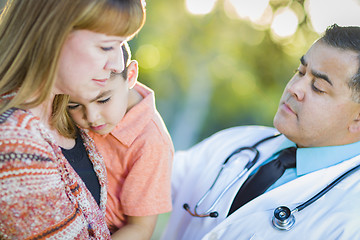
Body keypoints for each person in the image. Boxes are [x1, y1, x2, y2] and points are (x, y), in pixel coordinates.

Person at [161, 24, 360, 240]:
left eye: (318, 87)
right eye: (300, 72)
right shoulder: (237, 141)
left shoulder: (351, 219)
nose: (295, 88)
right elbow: (144, 178)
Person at [0, 0, 145, 239]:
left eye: (122, 44)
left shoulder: (65, 109)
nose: (118, 64)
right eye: (107, 46)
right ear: (53, 35)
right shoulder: (15, 143)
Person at [67, 42, 174, 239]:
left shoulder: (151, 143)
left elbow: (140, 228)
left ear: (131, 75)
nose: (91, 117)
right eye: (74, 105)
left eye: (103, 100)